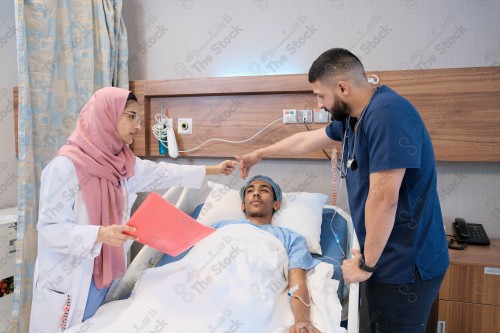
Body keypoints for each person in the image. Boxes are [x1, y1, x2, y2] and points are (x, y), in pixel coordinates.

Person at [236, 48, 449, 332]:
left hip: (406, 263)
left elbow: (384, 198)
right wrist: (260, 153)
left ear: (342, 88)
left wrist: (367, 265)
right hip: (382, 256)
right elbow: (306, 141)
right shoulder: (351, 119)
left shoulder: (388, 114)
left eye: (321, 96)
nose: (320, 105)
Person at [29, 87, 237, 332]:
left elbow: (163, 173)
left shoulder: (122, 164)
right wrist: (100, 234)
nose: (138, 125)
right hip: (70, 279)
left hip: (104, 276)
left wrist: (213, 169)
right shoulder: (64, 168)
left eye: (138, 117)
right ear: (106, 116)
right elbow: (50, 230)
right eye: (131, 116)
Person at [212, 175, 322, 333]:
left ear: (276, 204)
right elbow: (198, 254)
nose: (256, 193)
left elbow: (297, 281)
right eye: (250, 191)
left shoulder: (291, 238)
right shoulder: (221, 226)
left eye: (263, 190)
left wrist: (302, 321)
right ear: (243, 205)